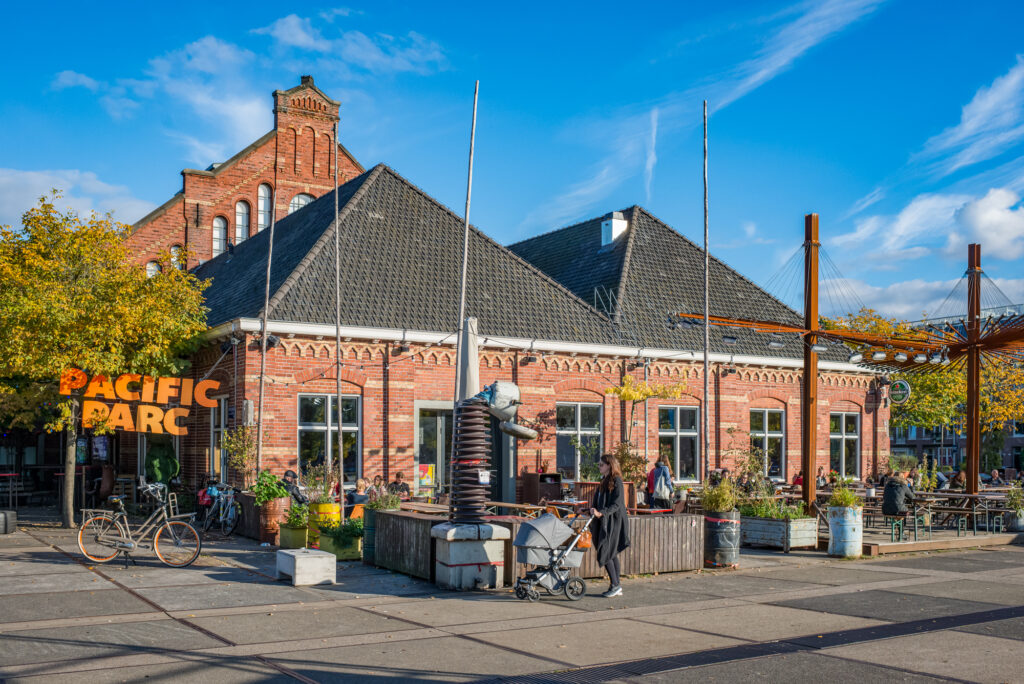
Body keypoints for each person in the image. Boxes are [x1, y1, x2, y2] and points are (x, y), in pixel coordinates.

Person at [589, 453, 630, 598]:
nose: (599, 467)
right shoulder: (604, 480)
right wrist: (591, 509)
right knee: (611, 553)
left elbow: (617, 504)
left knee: (606, 550)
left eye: (601, 464)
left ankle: (615, 585)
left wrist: (602, 513)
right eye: (599, 464)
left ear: (609, 466)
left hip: (614, 521)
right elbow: (598, 500)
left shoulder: (616, 481)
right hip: (605, 520)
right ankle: (616, 585)